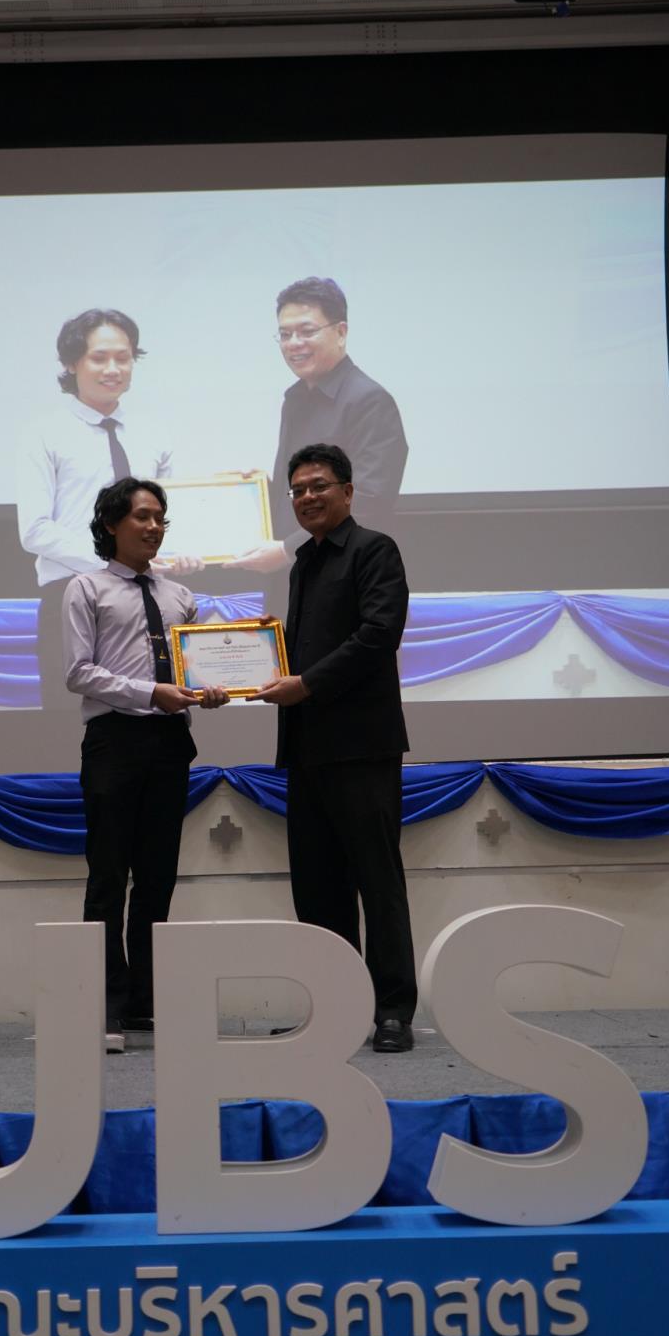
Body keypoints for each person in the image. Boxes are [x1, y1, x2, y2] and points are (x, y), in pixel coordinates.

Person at [249, 442, 417, 1053]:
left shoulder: (374, 550)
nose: (307, 497)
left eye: (318, 485)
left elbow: (379, 635)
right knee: (318, 887)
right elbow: (302, 648)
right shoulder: (303, 563)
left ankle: (392, 1011)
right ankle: (336, 1009)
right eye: (297, 490)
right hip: (307, 747)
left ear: (348, 491)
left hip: (361, 746)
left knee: (377, 881)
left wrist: (307, 684)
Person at [63, 477, 228, 1052]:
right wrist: (149, 692)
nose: (154, 527)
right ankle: (104, 1004)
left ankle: (143, 1003)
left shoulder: (180, 596)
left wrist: (213, 686)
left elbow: (196, 667)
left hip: (168, 743)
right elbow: (79, 672)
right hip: (113, 740)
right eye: (142, 517)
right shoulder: (86, 587)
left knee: (158, 878)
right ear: (111, 524)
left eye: (160, 517)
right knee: (108, 877)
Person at [17, 308, 174, 706]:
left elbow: (171, 516)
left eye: (123, 357)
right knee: (66, 718)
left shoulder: (154, 432)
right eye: (99, 358)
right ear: (72, 363)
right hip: (72, 592)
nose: (113, 369)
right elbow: (34, 529)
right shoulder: (43, 433)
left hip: (147, 594)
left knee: (153, 708)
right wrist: (112, 562)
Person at [232, 276, 407, 574]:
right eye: (285, 334)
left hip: (347, 576)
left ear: (341, 332)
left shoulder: (370, 401)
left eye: (307, 331)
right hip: (298, 576)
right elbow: (308, 491)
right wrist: (261, 489)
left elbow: (367, 502)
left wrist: (288, 550)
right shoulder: (295, 398)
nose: (293, 343)